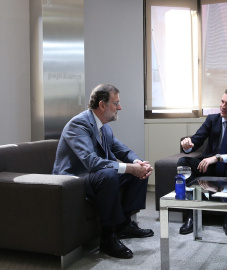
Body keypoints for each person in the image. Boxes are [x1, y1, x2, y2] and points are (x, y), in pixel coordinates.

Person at [52, 84, 154, 259]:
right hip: (74, 178)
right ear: (102, 105)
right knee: (110, 174)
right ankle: (108, 238)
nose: (120, 107)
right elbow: (91, 162)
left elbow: (122, 150)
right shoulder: (79, 124)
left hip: (95, 174)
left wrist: (137, 163)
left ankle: (124, 224)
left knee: (139, 172)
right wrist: (129, 168)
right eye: (116, 103)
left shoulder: (104, 126)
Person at [177, 87, 227, 238]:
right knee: (183, 161)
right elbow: (196, 140)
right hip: (208, 167)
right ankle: (192, 216)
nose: (223, 106)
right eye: (222, 101)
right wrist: (188, 144)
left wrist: (218, 157)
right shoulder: (212, 119)